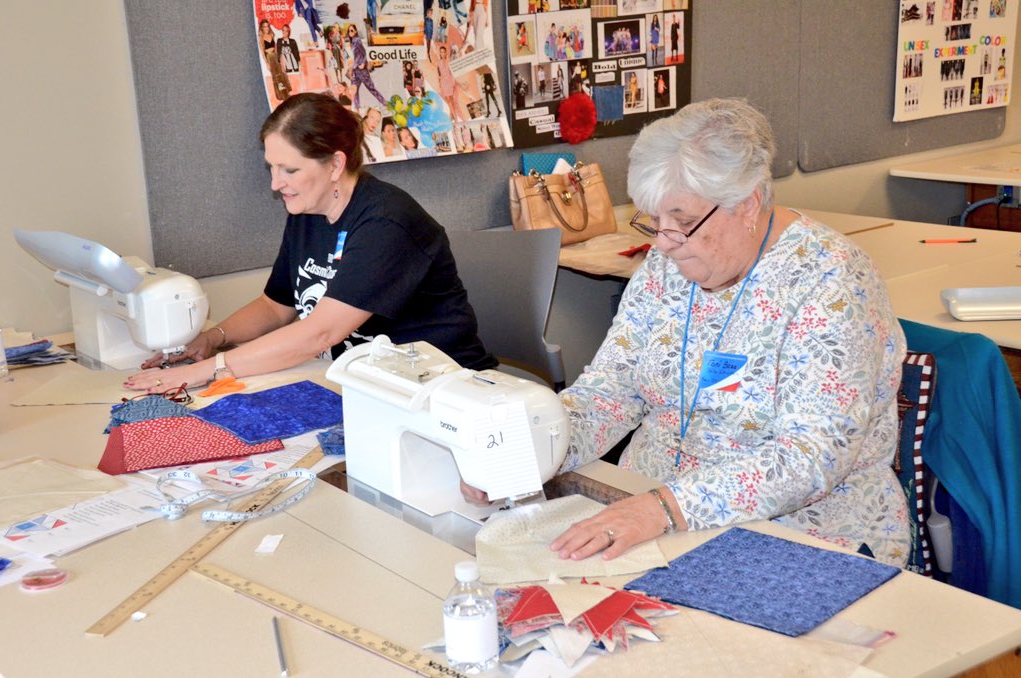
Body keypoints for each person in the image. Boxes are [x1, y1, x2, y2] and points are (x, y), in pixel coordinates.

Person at [463, 98, 911, 568]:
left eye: (682, 222)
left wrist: (663, 509)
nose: (662, 242)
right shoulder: (667, 264)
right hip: (646, 515)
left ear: (749, 203)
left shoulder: (831, 281)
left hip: (800, 535)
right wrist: (531, 453)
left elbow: (810, 457)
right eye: (655, 221)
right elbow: (611, 391)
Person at [125, 93, 495, 393]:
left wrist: (208, 370)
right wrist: (212, 338)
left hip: (441, 386)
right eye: (271, 167)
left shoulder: (387, 223)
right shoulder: (307, 213)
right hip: (360, 381)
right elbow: (275, 307)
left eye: (290, 170)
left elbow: (319, 332)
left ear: (335, 165)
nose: (275, 184)